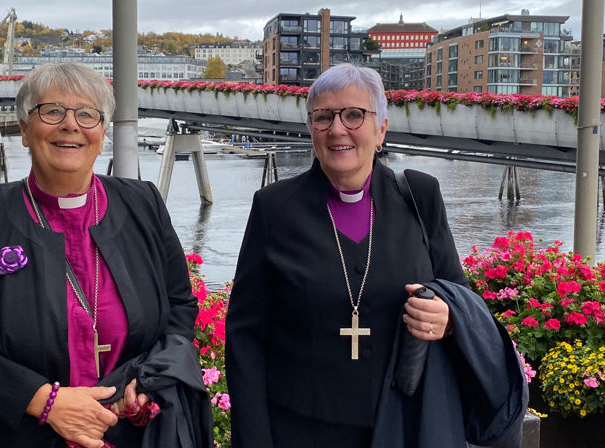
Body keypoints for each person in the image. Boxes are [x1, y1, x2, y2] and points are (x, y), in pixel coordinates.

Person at [225, 63, 527, 448]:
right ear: (311, 129)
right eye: (323, 117)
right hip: (298, 431)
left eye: (354, 115)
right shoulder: (274, 208)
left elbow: (458, 295)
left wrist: (448, 319)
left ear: (381, 127)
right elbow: (245, 337)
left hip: (405, 426)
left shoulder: (420, 196)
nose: (337, 129)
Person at [0, 63, 212, 448]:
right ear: (25, 130)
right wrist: (44, 402)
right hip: (14, 435)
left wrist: (149, 381)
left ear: (102, 131)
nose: (70, 125)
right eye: (52, 111)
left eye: (86, 114)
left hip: (131, 433)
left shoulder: (144, 203)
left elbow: (179, 308)